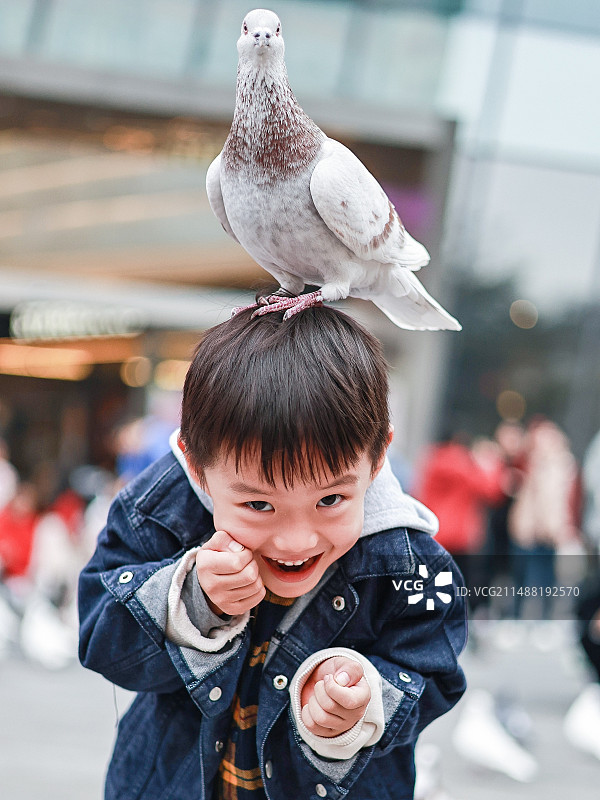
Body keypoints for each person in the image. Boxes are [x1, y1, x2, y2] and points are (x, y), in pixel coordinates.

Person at [78, 307, 467, 800]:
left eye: (330, 499)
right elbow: (98, 635)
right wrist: (193, 603)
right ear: (198, 470)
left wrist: (361, 703)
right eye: (259, 504)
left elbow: (436, 674)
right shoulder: (161, 510)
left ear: (377, 459)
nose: (295, 541)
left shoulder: (412, 563)